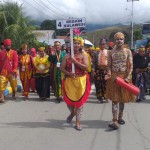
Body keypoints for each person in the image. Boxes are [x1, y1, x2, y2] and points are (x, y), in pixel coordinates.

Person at [105, 32, 135, 130]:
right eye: (117, 39)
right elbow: (108, 66)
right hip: (114, 78)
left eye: (121, 39)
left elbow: (131, 66)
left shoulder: (128, 51)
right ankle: (114, 120)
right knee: (115, 99)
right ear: (114, 41)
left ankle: (120, 117)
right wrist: (109, 73)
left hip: (124, 77)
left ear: (124, 40)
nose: (119, 41)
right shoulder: (111, 52)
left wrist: (128, 76)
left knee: (123, 99)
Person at [61, 36, 91, 131]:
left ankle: (78, 122)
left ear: (81, 45)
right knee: (69, 102)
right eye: (74, 43)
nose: (76, 45)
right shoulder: (66, 56)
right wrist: (69, 73)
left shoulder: (84, 56)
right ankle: (72, 113)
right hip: (69, 81)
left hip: (81, 81)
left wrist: (75, 62)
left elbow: (86, 67)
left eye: (78, 43)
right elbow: (62, 68)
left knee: (79, 103)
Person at [92, 38, 109, 103]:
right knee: (98, 85)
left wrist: (109, 71)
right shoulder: (95, 53)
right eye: (101, 44)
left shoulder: (109, 52)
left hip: (106, 71)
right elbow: (93, 62)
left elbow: (110, 62)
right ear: (99, 45)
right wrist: (93, 70)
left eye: (103, 44)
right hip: (98, 71)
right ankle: (99, 98)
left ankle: (106, 97)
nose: (102, 45)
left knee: (106, 84)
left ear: (105, 45)